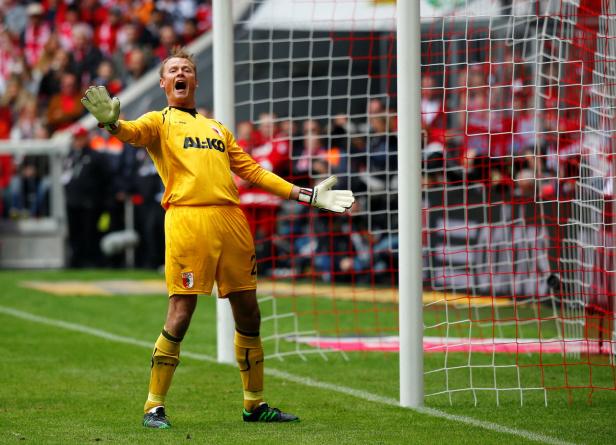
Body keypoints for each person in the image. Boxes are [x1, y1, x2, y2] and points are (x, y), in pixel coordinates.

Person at [80, 47, 354, 429]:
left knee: (249, 311)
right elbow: (132, 133)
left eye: (186, 69)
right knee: (181, 313)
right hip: (188, 221)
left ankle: (254, 405)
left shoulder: (216, 129)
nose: (180, 73)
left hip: (232, 221)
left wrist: (306, 195)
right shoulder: (158, 121)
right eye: (173, 69)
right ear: (163, 83)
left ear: (194, 80)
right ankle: (153, 406)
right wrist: (113, 124)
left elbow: (254, 172)